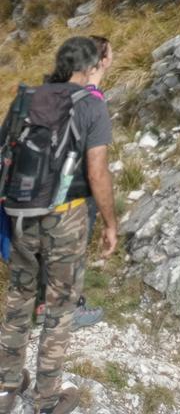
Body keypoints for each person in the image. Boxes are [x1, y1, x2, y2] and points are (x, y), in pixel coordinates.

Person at [0, 37, 117, 414]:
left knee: (19, 300)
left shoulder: (25, 97)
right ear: (89, 67)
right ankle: (47, 398)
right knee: (59, 307)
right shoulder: (91, 107)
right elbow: (97, 171)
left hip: (19, 214)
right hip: (65, 216)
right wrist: (111, 224)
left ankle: (6, 387)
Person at [34, 37, 113, 332]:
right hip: (71, 189)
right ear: (99, 62)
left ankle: (44, 304)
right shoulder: (92, 100)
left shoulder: (43, 94)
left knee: (46, 245)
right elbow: (96, 169)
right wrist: (110, 222)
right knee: (73, 246)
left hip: (38, 187)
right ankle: (70, 308)